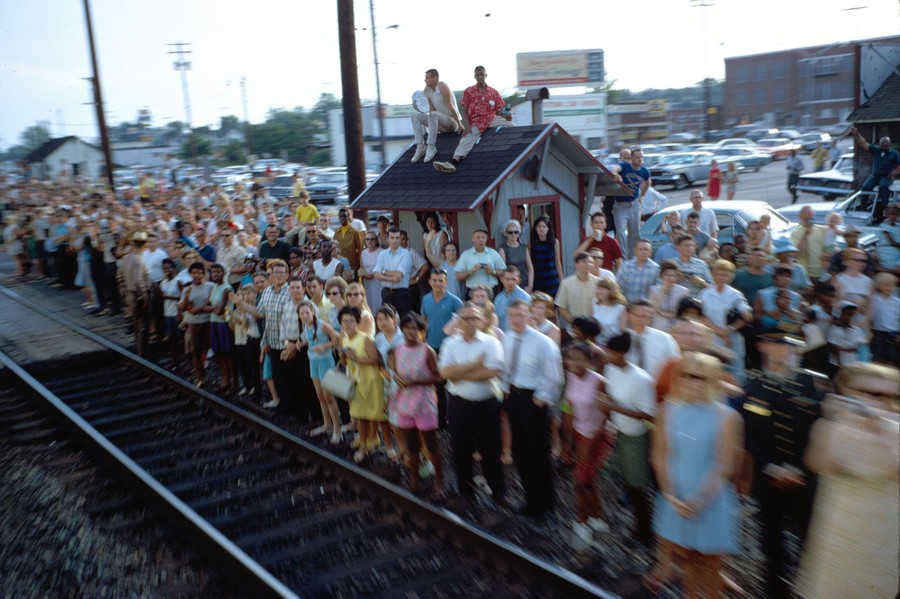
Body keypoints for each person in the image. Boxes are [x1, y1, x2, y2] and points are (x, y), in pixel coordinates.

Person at [797, 362, 899, 599]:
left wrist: (881, 425)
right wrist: (837, 422)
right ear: (849, 391)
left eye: (887, 395)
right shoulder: (832, 425)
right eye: (868, 392)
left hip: (882, 533)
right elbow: (819, 464)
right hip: (839, 533)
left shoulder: (896, 430)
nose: (877, 400)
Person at [649, 352, 743, 598]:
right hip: (676, 497)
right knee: (687, 558)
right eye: (687, 375)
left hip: (710, 499)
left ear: (713, 381)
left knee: (710, 562)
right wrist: (670, 496)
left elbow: (723, 465)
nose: (693, 382)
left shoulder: (727, 416)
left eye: (701, 377)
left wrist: (698, 501)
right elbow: (660, 456)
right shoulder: (667, 410)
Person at [740, 332, 823, 599]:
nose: (784, 349)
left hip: (806, 478)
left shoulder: (815, 384)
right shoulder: (753, 385)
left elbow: (821, 430)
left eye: (790, 344)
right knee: (771, 539)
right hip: (769, 479)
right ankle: (776, 591)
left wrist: (804, 468)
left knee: (811, 540)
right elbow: (750, 434)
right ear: (762, 345)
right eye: (777, 343)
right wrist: (769, 467)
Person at [437, 303, 508, 511]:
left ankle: (499, 492)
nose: (471, 322)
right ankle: (466, 494)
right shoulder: (450, 343)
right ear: (459, 320)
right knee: (460, 449)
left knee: (491, 450)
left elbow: (493, 371)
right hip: (459, 405)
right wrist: (473, 365)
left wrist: (459, 376)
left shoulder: (491, 342)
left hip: (486, 404)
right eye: (466, 318)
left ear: (482, 320)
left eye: (475, 318)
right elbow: (444, 372)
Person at [502, 300, 564, 521]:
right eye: (511, 315)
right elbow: (506, 368)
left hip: (533, 400)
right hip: (514, 397)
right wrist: (505, 391)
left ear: (528, 315)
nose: (515, 320)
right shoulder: (509, 338)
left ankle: (546, 505)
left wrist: (542, 398)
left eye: (519, 315)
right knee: (520, 452)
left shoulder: (543, 342)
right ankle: (530, 500)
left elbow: (555, 376)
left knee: (538, 454)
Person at [601, 332, 657, 547]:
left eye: (610, 351)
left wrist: (612, 408)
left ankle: (645, 534)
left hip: (637, 437)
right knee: (630, 485)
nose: (606, 355)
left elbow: (649, 414)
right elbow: (608, 390)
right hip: (621, 432)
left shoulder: (641, 379)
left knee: (637, 487)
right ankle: (642, 529)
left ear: (622, 353)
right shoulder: (611, 369)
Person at [388, 313, 445, 496]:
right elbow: (394, 371)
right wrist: (397, 379)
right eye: (408, 328)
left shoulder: (427, 350)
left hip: (424, 403)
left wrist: (416, 381)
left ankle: (439, 482)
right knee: (411, 445)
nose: (411, 332)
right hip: (404, 403)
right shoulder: (397, 350)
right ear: (402, 329)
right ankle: (414, 480)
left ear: (421, 331)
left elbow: (438, 377)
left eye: (416, 329)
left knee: (430, 444)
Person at [564, 342, 614, 547]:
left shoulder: (599, 382)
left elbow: (606, 416)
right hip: (580, 432)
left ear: (591, 362)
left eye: (580, 359)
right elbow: (568, 409)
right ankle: (597, 517)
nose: (574, 363)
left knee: (580, 481)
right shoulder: (571, 376)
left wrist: (588, 444)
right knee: (588, 478)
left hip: (598, 435)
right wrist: (566, 443)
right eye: (571, 358)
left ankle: (581, 523)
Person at [433, 66, 512, 174]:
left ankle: (517, 153)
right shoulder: (469, 91)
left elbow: (499, 110)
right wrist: (466, 125)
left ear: (486, 75)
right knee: (467, 138)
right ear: (475, 76)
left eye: (482, 74)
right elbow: (464, 110)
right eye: (478, 75)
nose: (480, 77)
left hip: (492, 118)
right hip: (476, 121)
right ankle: (453, 162)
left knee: (512, 125)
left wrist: (505, 116)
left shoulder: (493, 92)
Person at [339, 305, 386, 463]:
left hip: (371, 381)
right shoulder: (344, 338)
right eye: (345, 321)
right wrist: (342, 357)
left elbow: (375, 359)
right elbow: (346, 363)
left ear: (357, 322)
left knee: (379, 415)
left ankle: (389, 447)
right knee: (361, 416)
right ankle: (363, 447)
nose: (348, 324)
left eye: (351, 321)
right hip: (356, 382)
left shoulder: (365, 338)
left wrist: (356, 358)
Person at [699, 260, 753, 384]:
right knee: (713, 367)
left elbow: (747, 317)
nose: (722, 277)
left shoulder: (736, 294)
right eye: (718, 274)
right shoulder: (705, 294)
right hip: (712, 337)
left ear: (731, 276)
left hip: (733, 339)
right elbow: (703, 317)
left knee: (736, 369)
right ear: (712, 275)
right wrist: (720, 333)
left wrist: (729, 330)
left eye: (725, 274)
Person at [297, 300, 342, 445]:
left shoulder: (322, 325)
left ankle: (337, 430)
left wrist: (325, 346)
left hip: (325, 362)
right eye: (302, 313)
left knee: (329, 397)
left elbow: (337, 338)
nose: (305, 315)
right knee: (320, 396)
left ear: (313, 312)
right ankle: (326, 424)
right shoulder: (306, 326)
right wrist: (302, 343)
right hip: (313, 362)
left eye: (307, 312)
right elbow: (311, 341)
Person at [410, 69, 463, 163]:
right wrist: (432, 129)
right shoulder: (427, 90)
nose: (425, 80)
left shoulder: (442, 86)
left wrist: (459, 124)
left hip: (451, 122)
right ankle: (420, 147)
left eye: (427, 78)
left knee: (433, 114)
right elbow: (431, 110)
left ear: (435, 78)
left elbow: (450, 105)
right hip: (439, 122)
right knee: (415, 116)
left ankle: (431, 147)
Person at [850, 127, 900, 218]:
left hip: (886, 177)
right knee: (866, 187)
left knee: (883, 186)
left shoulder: (894, 153)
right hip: (875, 176)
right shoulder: (876, 150)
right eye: (882, 145)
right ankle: (863, 209)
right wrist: (857, 135)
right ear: (880, 144)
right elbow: (864, 144)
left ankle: (885, 210)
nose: (884, 147)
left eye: (886, 145)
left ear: (889, 145)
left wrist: (893, 173)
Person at [625, 299, 680, 380]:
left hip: (658, 385)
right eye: (638, 315)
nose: (641, 320)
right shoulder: (622, 339)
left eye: (646, 316)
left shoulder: (665, 338)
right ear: (629, 315)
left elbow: (675, 365)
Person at [179, 261, 214, 387]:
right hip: (194, 323)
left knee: (210, 349)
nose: (197, 275)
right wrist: (187, 297)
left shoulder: (210, 286)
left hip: (209, 321)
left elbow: (212, 305)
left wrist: (198, 309)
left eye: (200, 273)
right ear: (190, 274)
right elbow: (183, 308)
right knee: (196, 351)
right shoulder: (187, 289)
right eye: (194, 273)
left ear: (204, 274)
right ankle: (200, 377)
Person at [615, 148, 651, 258]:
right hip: (621, 205)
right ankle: (623, 258)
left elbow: (648, 182)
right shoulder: (625, 166)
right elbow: (615, 168)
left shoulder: (644, 171)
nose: (640, 159)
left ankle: (633, 257)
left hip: (634, 204)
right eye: (637, 157)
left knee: (635, 233)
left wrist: (641, 196)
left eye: (641, 157)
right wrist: (615, 174)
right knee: (620, 232)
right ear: (631, 158)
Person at [120, 231, 152, 356]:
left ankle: (139, 351)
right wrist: (145, 296)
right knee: (144, 327)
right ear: (144, 246)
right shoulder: (137, 260)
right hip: (137, 295)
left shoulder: (126, 258)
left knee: (137, 326)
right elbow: (139, 281)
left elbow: (120, 277)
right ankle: (142, 354)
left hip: (129, 294)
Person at [208, 263, 238, 395]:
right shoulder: (214, 287)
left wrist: (211, 308)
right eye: (213, 272)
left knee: (229, 354)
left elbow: (220, 310)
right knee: (219, 353)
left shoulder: (227, 288)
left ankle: (234, 383)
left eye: (218, 272)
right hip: (214, 322)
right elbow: (205, 307)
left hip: (225, 323)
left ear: (224, 273)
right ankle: (225, 380)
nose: (215, 274)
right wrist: (213, 308)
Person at [373, 227, 413, 316]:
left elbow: (398, 276)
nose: (395, 240)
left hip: (401, 293)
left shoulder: (406, 254)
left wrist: (383, 272)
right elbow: (375, 273)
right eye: (392, 238)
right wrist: (390, 276)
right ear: (388, 239)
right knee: (386, 320)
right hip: (386, 293)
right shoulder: (382, 254)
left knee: (404, 321)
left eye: (397, 238)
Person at [555, 252, 599, 331]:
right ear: (576, 264)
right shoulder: (566, 283)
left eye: (591, 262)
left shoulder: (598, 283)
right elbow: (561, 307)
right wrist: (576, 323)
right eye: (585, 262)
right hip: (574, 330)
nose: (588, 264)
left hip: (594, 330)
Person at [455, 229, 505, 297]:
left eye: (483, 237)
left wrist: (492, 271)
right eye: (478, 237)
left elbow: (504, 272)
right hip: (472, 292)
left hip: (491, 291)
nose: (481, 240)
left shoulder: (493, 253)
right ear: (472, 239)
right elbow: (458, 276)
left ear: (486, 239)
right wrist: (470, 272)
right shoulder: (465, 255)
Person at [231, 284, 261, 399]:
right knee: (250, 366)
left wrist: (245, 308)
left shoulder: (257, 305)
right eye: (245, 294)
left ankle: (257, 389)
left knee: (257, 367)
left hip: (257, 338)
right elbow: (245, 325)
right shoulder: (244, 308)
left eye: (249, 293)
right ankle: (254, 390)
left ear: (255, 293)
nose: (246, 296)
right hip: (249, 337)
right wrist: (242, 312)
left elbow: (254, 318)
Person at [648, 260, 689, 332]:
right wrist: (663, 291)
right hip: (658, 324)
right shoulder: (654, 289)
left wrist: (669, 315)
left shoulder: (683, 291)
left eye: (673, 275)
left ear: (677, 277)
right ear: (661, 276)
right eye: (666, 275)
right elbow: (654, 309)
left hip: (677, 325)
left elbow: (682, 311)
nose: (669, 278)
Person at [616, 239, 660, 304]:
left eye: (646, 249)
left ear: (650, 252)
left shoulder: (656, 269)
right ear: (635, 251)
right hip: (626, 306)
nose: (643, 252)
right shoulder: (625, 267)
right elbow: (617, 287)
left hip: (646, 307)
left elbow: (658, 291)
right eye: (641, 249)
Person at [790, 205, 826, 280]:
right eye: (806, 218)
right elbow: (796, 254)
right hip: (806, 273)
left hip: (821, 271)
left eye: (811, 217)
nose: (809, 220)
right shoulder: (795, 233)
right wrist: (805, 235)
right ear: (800, 217)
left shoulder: (821, 230)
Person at [530, 215, 563, 297]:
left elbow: (557, 262)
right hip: (538, 278)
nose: (541, 229)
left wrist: (562, 280)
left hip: (552, 277)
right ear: (536, 228)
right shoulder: (531, 243)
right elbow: (531, 263)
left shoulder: (554, 242)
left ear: (548, 228)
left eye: (544, 227)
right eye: (539, 226)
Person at [497, 219, 534, 291]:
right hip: (510, 284)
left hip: (525, 283)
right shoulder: (503, 249)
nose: (513, 235)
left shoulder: (524, 247)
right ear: (505, 233)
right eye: (510, 232)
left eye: (516, 232)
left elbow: (530, 267)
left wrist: (530, 285)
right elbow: (502, 270)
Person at [870, 272, 899, 365]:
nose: (888, 287)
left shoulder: (897, 302)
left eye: (891, 285)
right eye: (885, 284)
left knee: (892, 356)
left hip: (892, 332)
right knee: (877, 355)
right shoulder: (874, 299)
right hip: (878, 332)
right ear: (878, 286)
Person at [592, 278, 627, 347]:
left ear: (612, 291)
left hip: (614, 345)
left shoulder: (620, 308)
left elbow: (623, 332)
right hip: (598, 343)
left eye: (604, 289)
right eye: (599, 289)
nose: (600, 292)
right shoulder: (594, 303)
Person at [493, 266, 531, 331]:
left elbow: (529, 320)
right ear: (502, 279)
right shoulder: (498, 299)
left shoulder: (525, 297)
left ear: (518, 280)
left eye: (513, 279)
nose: (510, 282)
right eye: (507, 279)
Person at [332, 208, 363, 277]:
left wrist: (358, 264)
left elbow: (360, 249)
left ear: (348, 217)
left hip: (351, 265)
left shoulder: (355, 232)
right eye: (340, 216)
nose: (342, 218)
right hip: (338, 264)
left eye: (344, 216)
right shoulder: (337, 232)